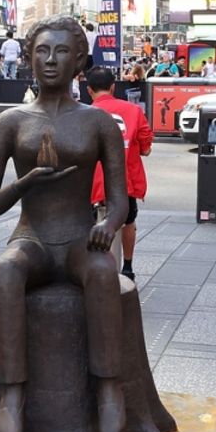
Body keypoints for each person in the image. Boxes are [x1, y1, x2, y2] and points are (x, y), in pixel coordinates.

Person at [0, 16, 129, 432]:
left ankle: (108, 388)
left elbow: (119, 198)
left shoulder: (97, 123)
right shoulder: (9, 122)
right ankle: (11, 394)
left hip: (82, 236)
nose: (50, 60)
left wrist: (107, 223)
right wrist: (28, 181)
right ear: (28, 57)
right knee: (5, 272)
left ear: (80, 60)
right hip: (34, 237)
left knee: (103, 273)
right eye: (42, 51)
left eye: (62, 51)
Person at [85, 67, 151, 280]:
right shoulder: (134, 111)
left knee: (92, 223)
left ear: (88, 90)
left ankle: (96, 267)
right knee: (128, 221)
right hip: (125, 181)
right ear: (113, 87)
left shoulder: (83, 114)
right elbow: (146, 149)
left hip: (95, 183)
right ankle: (128, 268)